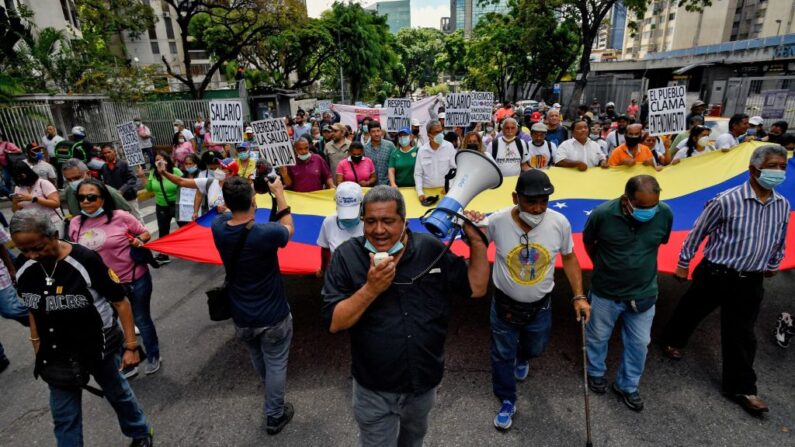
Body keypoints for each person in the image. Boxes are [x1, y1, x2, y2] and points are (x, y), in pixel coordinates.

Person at [321, 185, 489, 447]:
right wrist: (371, 289)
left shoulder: (431, 249)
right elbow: (335, 321)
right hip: (373, 388)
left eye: (388, 221)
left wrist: (478, 242)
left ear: (404, 221)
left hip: (423, 383)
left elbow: (476, 288)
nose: (379, 230)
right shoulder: (346, 256)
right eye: (371, 221)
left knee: (413, 440)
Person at [660, 145, 789, 415]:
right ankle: (672, 340)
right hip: (717, 273)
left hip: (751, 279)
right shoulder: (726, 200)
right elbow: (698, 231)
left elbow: (780, 237)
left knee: (742, 333)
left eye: (782, 166)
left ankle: (742, 387)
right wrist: (684, 263)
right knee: (691, 311)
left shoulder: (782, 204)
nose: (778, 171)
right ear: (754, 170)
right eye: (773, 166)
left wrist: (774, 263)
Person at [10, 209, 154, 446]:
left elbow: (120, 301)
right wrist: (37, 346)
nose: (32, 255)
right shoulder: (25, 266)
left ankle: (140, 432)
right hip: (56, 353)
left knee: (117, 394)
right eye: (24, 250)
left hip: (99, 346)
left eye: (38, 247)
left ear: (54, 235)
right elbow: (33, 310)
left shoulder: (85, 259)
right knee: (64, 418)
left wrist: (131, 347)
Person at [476, 170, 590, 430]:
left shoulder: (559, 222)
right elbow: (477, 245)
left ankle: (524, 356)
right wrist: (472, 228)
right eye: (531, 201)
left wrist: (579, 295)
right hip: (505, 305)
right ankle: (507, 399)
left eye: (543, 201)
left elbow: (569, 257)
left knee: (535, 348)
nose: (538, 208)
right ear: (516, 197)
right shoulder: (497, 221)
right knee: (502, 354)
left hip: (541, 307)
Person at [211, 176, 295, 435]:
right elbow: (288, 229)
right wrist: (279, 193)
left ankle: (271, 392)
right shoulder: (264, 233)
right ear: (253, 200)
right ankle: (275, 414)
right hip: (272, 315)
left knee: (259, 358)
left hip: (241, 314)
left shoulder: (218, 227)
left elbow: (225, 215)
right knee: (276, 362)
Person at [583, 175, 673, 412]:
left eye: (654, 205)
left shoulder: (664, 214)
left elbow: (660, 241)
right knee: (598, 335)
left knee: (640, 343)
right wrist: (605, 267)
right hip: (606, 292)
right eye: (643, 207)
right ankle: (595, 372)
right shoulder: (602, 215)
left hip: (644, 294)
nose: (650, 212)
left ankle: (627, 385)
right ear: (626, 200)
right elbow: (588, 243)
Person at [69, 179, 160, 377]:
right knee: (111, 323)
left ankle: (153, 355)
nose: (86, 201)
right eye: (81, 198)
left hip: (134, 278)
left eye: (91, 197)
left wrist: (138, 240)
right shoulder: (75, 223)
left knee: (141, 319)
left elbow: (144, 233)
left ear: (103, 198)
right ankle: (130, 359)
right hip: (103, 286)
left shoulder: (121, 217)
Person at [317, 182, 364, 277]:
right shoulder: (329, 222)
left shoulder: (371, 223)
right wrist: (323, 269)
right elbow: (325, 249)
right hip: (338, 276)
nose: (348, 218)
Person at [142, 151, 183, 264]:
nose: (158, 162)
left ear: (166, 160)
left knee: (184, 227)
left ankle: (193, 249)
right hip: (161, 206)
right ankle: (164, 254)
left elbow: (184, 185)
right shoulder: (153, 173)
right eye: (156, 160)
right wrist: (142, 177)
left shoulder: (176, 171)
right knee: (163, 231)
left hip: (177, 205)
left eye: (160, 159)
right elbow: (149, 188)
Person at [62, 159, 133, 221]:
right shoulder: (69, 191)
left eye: (77, 178)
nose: (73, 182)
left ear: (88, 174)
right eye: (69, 180)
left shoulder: (108, 191)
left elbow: (128, 214)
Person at [414, 120, 457, 204]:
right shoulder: (422, 151)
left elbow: (454, 169)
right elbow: (418, 173)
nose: (440, 134)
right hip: (427, 192)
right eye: (437, 132)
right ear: (429, 135)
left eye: (441, 131)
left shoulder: (449, 147)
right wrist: (420, 192)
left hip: (445, 191)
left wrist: (449, 186)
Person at [11, 160, 62, 227]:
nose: (20, 179)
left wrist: (34, 199)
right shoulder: (18, 188)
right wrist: (14, 203)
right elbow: (16, 211)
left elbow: (56, 203)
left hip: (52, 222)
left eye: (21, 176)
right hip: (34, 226)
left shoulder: (43, 183)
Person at [99, 144, 141, 222]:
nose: (107, 155)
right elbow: (105, 183)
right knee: (120, 219)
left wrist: (121, 190)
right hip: (115, 199)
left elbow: (132, 179)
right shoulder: (104, 167)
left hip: (128, 197)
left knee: (136, 217)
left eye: (109, 152)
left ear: (115, 152)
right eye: (105, 153)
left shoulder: (123, 164)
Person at [363, 121, 396, 186]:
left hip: (388, 185)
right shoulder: (365, 148)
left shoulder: (390, 145)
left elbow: (395, 164)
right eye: (373, 131)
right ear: (369, 133)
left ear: (381, 131)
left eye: (378, 131)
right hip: (372, 187)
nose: (376, 134)